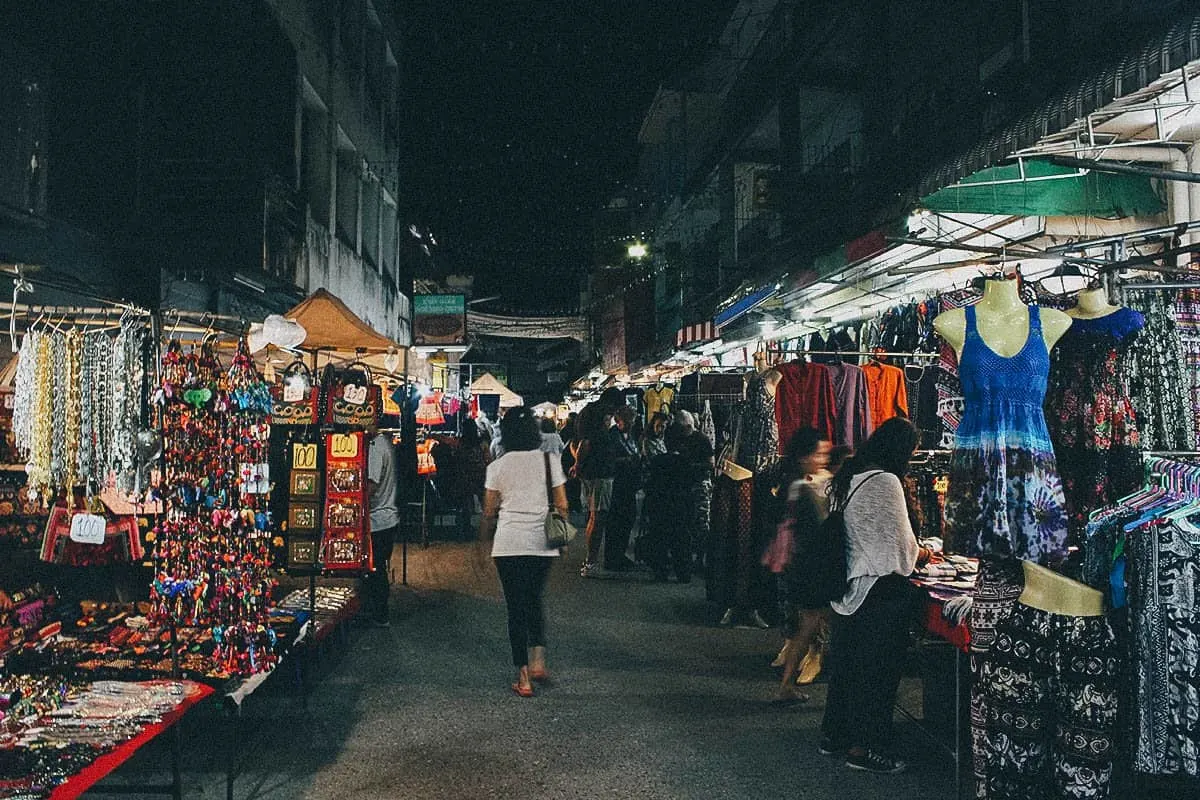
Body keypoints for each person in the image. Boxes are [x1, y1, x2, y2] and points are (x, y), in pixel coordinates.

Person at [818, 417, 932, 774]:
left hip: (851, 589)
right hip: (880, 592)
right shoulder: (885, 482)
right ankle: (865, 748)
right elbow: (903, 549)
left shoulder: (852, 476)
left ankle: (834, 737)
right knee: (878, 673)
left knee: (849, 669)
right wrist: (925, 553)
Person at [478, 406, 568, 698]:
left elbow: (489, 511)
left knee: (515, 608)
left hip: (508, 544)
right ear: (534, 431)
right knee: (534, 599)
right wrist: (562, 537)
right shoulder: (549, 460)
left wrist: (483, 541)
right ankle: (539, 661)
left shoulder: (497, 467)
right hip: (541, 543)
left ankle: (524, 677)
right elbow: (563, 504)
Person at [771, 427, 832, 704]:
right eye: (819, 453)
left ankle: (787, 684)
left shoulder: (793, 484)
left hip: (801, 567)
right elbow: (820, 529)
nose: (822, 459)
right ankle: (787, 685)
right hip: (812, 569)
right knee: (808, 628)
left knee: (804, 629)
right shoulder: (804, 489)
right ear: (804, 456)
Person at [573, 387, 623, 577]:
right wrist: (578, 464)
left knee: (594, 517)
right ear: (610, 403)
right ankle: (591, 562)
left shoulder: (586, 412)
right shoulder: (600, 415)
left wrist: (578, 465)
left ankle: (590, 560)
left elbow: (576, 442)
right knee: (598, 517)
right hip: (599, 472)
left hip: (590, 472)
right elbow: (585, 443)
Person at [668, 410, 714, 574]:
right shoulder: (676, 437)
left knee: (701, 524)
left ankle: (700, 559)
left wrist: (691, 465)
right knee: (683, 523)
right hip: (682, 486)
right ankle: (684, 557)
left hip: (699, 485)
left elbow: (710, 464)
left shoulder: (702, 439)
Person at [364, 423, 400, 627]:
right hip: (387, 517)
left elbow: (372, 484)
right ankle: (378, 611)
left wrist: (356, 504)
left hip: (379, 518)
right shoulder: (384, 443)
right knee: (377, 567)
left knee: (375, 568)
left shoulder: (376, 448)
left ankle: (380, 614)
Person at [605, 405, 641, 571]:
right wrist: (625, 460)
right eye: (628, 421)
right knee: (616, 521)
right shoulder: (613, 435)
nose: (631, 424)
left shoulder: (630, 436)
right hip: (618, 484)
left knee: (628, 519)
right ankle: (612, 557)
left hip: (630, 484)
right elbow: (609, 459)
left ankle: (621, 554)